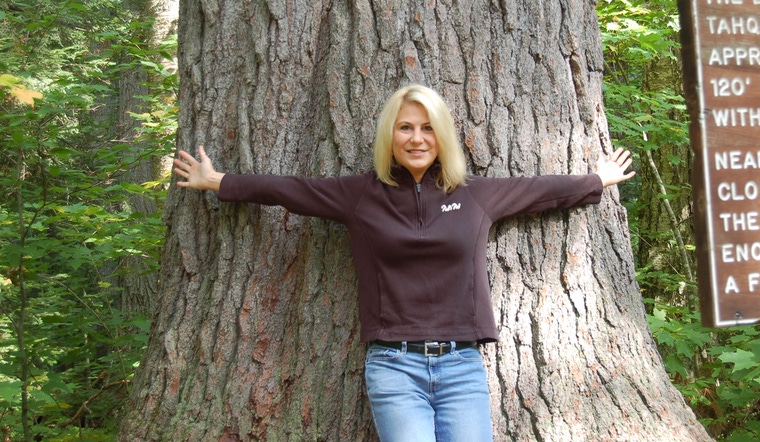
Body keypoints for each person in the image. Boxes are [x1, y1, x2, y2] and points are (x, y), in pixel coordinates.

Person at [173, 84, 634, 442]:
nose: (417, 138)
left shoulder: (475, 196)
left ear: (442, 136)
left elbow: (541, 191)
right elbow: (288, 190)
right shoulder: (359, 196)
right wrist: (218, 181)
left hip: (461, 366)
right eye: (406, 127)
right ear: (390, 134)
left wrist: (598, 180)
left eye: (428, 127)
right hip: (394, 367)